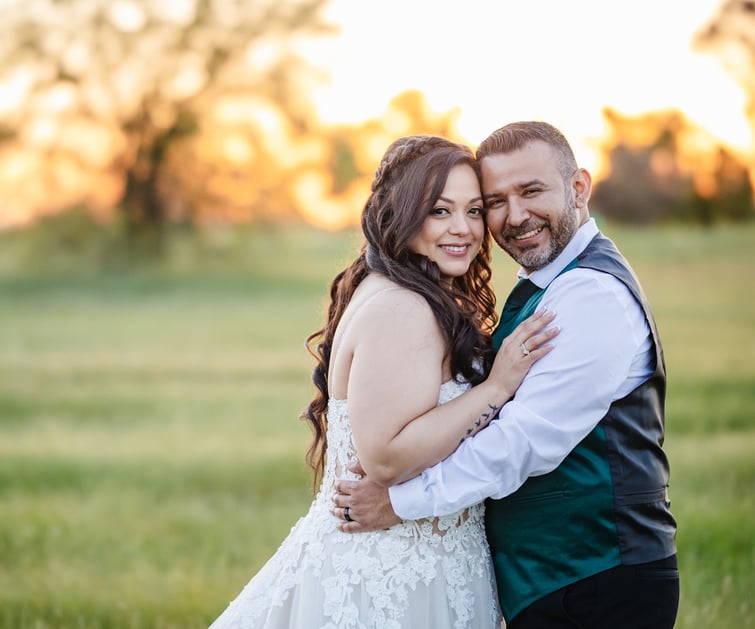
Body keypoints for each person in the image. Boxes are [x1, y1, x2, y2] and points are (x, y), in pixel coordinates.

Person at [332, 122, 680, 629]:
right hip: (551, 581)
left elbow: (525, 441)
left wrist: (401, 504)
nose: (514, 216)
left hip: (599, 578)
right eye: (494, 201)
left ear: (579, 188)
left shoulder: (590, 295)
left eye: (531, 191)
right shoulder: (538, 285)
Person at [208, 134, 559, 628]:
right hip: (392, 576)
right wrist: (496, 388)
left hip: (417, 561)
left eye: (474, 211)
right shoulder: (403, 307)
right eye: (440, 211)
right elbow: (386, 456)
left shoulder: (401, 290)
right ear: (402, 214)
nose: (464, 229)